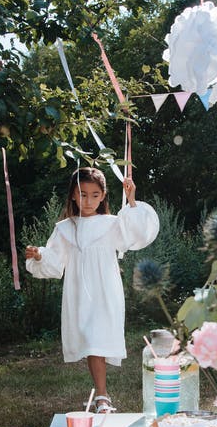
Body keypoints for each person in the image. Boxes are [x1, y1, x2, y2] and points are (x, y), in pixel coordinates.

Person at [25, 167, 159, 413]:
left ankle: (102, 396)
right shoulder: (65, 228)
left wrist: (131, 199)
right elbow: (55, 262)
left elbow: (136, 235)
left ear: (103, 195)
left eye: (94, 195)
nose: (88, 200)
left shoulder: (112, 224)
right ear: (74, 195)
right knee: (90, 340)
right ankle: (102, 396)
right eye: (82, 194)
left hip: (105, 289)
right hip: (79, 292)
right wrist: (39, 255)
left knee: (99, 338)